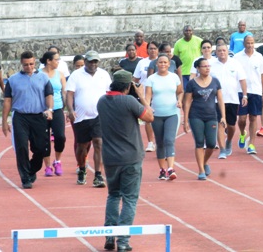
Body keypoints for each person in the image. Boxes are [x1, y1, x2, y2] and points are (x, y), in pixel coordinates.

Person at [98, 70, 154, 252]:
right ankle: (123, 240)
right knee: (129, 199)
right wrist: (140, 95)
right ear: (128, 85)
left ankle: (109, 235)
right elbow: (149, 117)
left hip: (110, 158)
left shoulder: (102, 102)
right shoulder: (129, 101)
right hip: (130, 157)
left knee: (113, 195)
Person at [2, 51, 54, 189]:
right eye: (26, 65)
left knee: (41, 148)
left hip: (39, 116)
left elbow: (49, 95)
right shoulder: (13, 80)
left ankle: (32, 169)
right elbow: (7, 101)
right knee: (21, 147)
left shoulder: (43, 78)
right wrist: (4, 121)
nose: (29, 67)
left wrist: (50, 109)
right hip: (21, 117)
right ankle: (25, 178)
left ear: (35, 62)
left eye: (31, 64)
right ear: (21, 63)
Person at [66, 50, 112, 187]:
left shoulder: (104, 75)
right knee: (82, 146)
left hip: (99, 115)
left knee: (98, 142)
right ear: (85, 61)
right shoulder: (76, 75)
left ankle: (98, 175)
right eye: (90, 61)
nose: (93, 64)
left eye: (95, 61)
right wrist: (70, 110)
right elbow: (69, 94)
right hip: (81, 116)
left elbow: (109, 92)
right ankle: (82, 168)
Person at [183, 58, 226, 180]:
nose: (207, 68)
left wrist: (223, 116)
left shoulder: (215, 82)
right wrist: (185, 120)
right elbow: (187, 102)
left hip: (211, 116)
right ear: (198, 68)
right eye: (204, 66)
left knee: (211, 144)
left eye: (208, 66)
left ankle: (205, 162)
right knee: (199, 142)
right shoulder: (192, 84)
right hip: (196, 116)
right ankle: (201, 170)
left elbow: (220, 99)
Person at [145, 54, 183, 180]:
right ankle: (162, 169)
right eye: (160, 62)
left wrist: (179, 100)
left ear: (169, 64)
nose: (162, 64)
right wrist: (148, 107)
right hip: (157, 115)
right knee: (160, 142)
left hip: (172, 113)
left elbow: (180, 91)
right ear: (156, 64)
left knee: (169, 140)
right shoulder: (151, 79)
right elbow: (148, 96)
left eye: (165, 62)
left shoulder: (174, 77)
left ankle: (171, 168)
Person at [212, 43, 248, 159]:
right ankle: (222, 149)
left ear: (227, 52)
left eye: (224, 50)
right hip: (217, 100)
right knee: (220, 124)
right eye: (219, 51)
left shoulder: (235, 64)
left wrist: (245, 95)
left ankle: (229, 141)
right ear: (216, 52)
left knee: (231, 126)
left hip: (232, 99)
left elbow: (242, 80)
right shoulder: (211, 65)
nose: (222, 52)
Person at [236, 35, 263, 155]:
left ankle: (252, 144)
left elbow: (262, 75)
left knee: (254, 117)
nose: (250, 45)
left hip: (256, 90)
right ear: (244, 44)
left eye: (252, 43)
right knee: (242, 118)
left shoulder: (259, 57)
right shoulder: (238, 57)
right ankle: (243, 133)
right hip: (241, 91)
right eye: (248, 43)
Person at [39, 51, 67, 177]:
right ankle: (47, 166)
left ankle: (58, 161)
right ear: (48, 61)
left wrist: (66, 109)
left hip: (57, 109)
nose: (58, 62)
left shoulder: (60, 74)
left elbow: (64, 92)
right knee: (44, 139)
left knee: (60, 136)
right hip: (42, 110)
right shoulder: (39, 75)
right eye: (56, 59)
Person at [133, 41, 159, 152]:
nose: (152, 50)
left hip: (159, 94)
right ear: (147, 50)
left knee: (159, 119)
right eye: (150, 48)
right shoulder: (142, 63)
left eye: (154, 48)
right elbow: (135, 79)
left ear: (158, 50)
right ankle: (150, 142)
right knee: (148, 119)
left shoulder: (162, 62)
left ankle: (160, 141)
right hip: (145, 96)